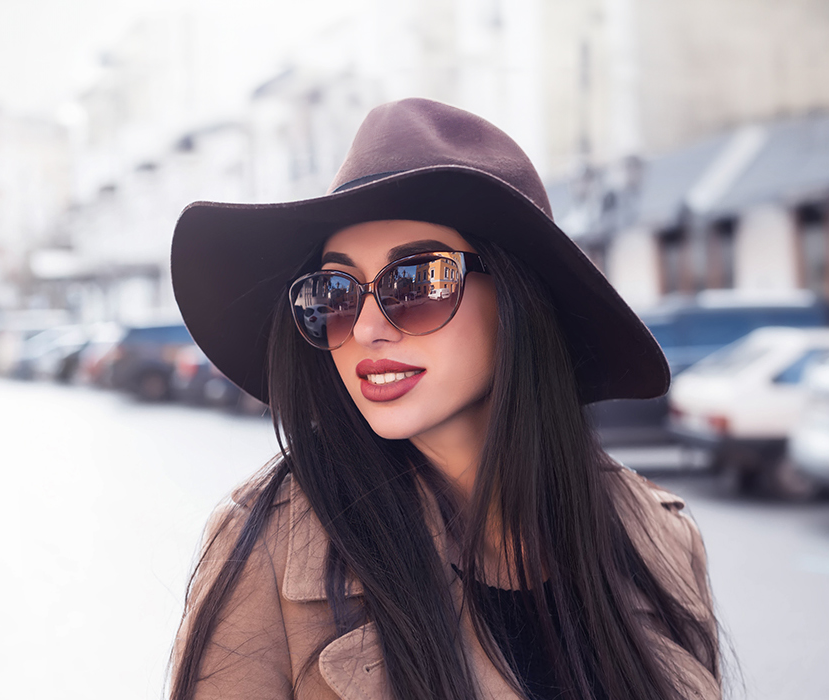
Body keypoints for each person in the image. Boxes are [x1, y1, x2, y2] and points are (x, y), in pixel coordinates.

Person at [165, 98, 722, 700]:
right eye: (337, 291)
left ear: (518, 300)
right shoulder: (265, 549)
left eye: (417, 281)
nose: (369, 327)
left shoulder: (659, 536)